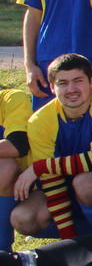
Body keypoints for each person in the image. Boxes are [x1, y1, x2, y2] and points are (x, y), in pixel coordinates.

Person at [11, 54, 92, 240]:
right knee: (22, 218)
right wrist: (68, 239)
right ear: (52, 87)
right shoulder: (39, 120)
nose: (71, 89)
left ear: (91, 81)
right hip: (67, 187)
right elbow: (51, 180)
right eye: (62, 83)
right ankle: (80, 241)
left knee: (85, 183)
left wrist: (39, 167)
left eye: (78, 81)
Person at [0, 87, 33, 250]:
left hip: (27, 184)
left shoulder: (12, 98)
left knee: (5, 167)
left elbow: (18, 145)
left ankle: (2, 249)